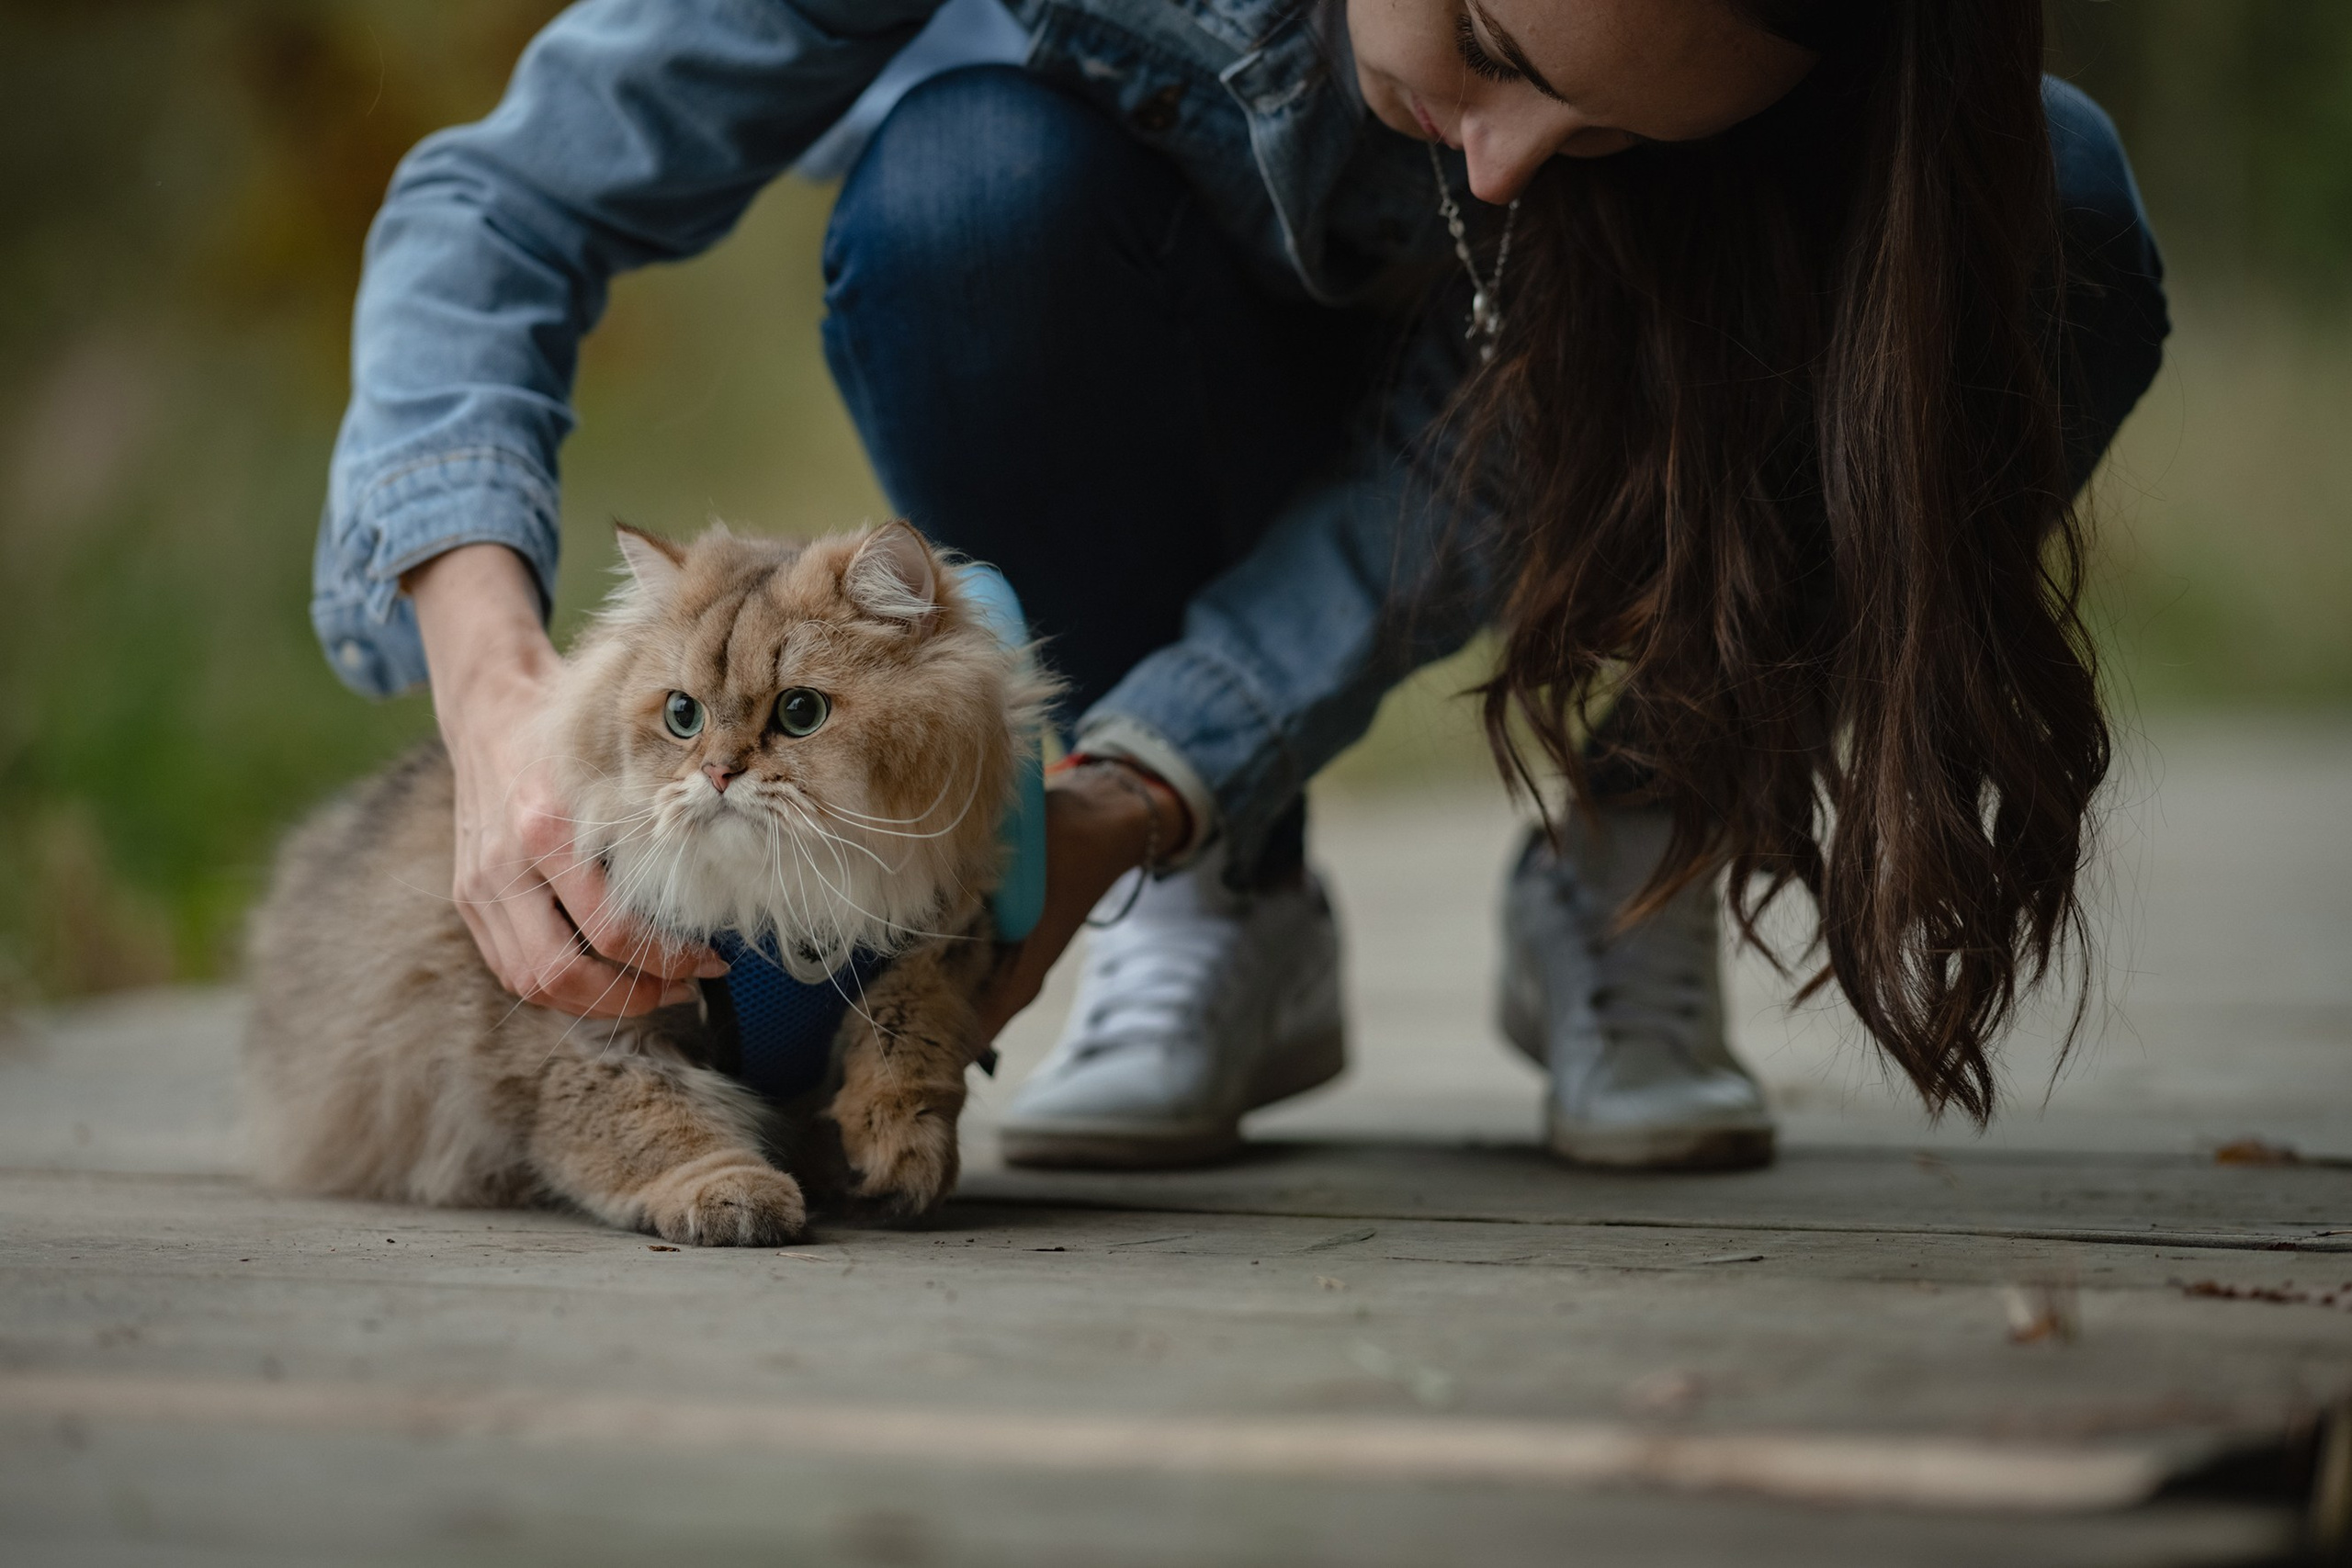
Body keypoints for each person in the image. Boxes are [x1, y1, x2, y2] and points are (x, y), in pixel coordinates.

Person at [314, 0, 2168, 1173]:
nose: (1516, 154)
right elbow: (504, 204)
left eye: (1606, 134)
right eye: (1500, 55)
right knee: (957, 199)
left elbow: (1465, 458)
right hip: (1147, 335)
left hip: (1578, 434)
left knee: (2038, 219)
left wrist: (1155, 768)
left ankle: (1645, 839)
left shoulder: (1623, 123)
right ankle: (1219, 903)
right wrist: (489, 695)